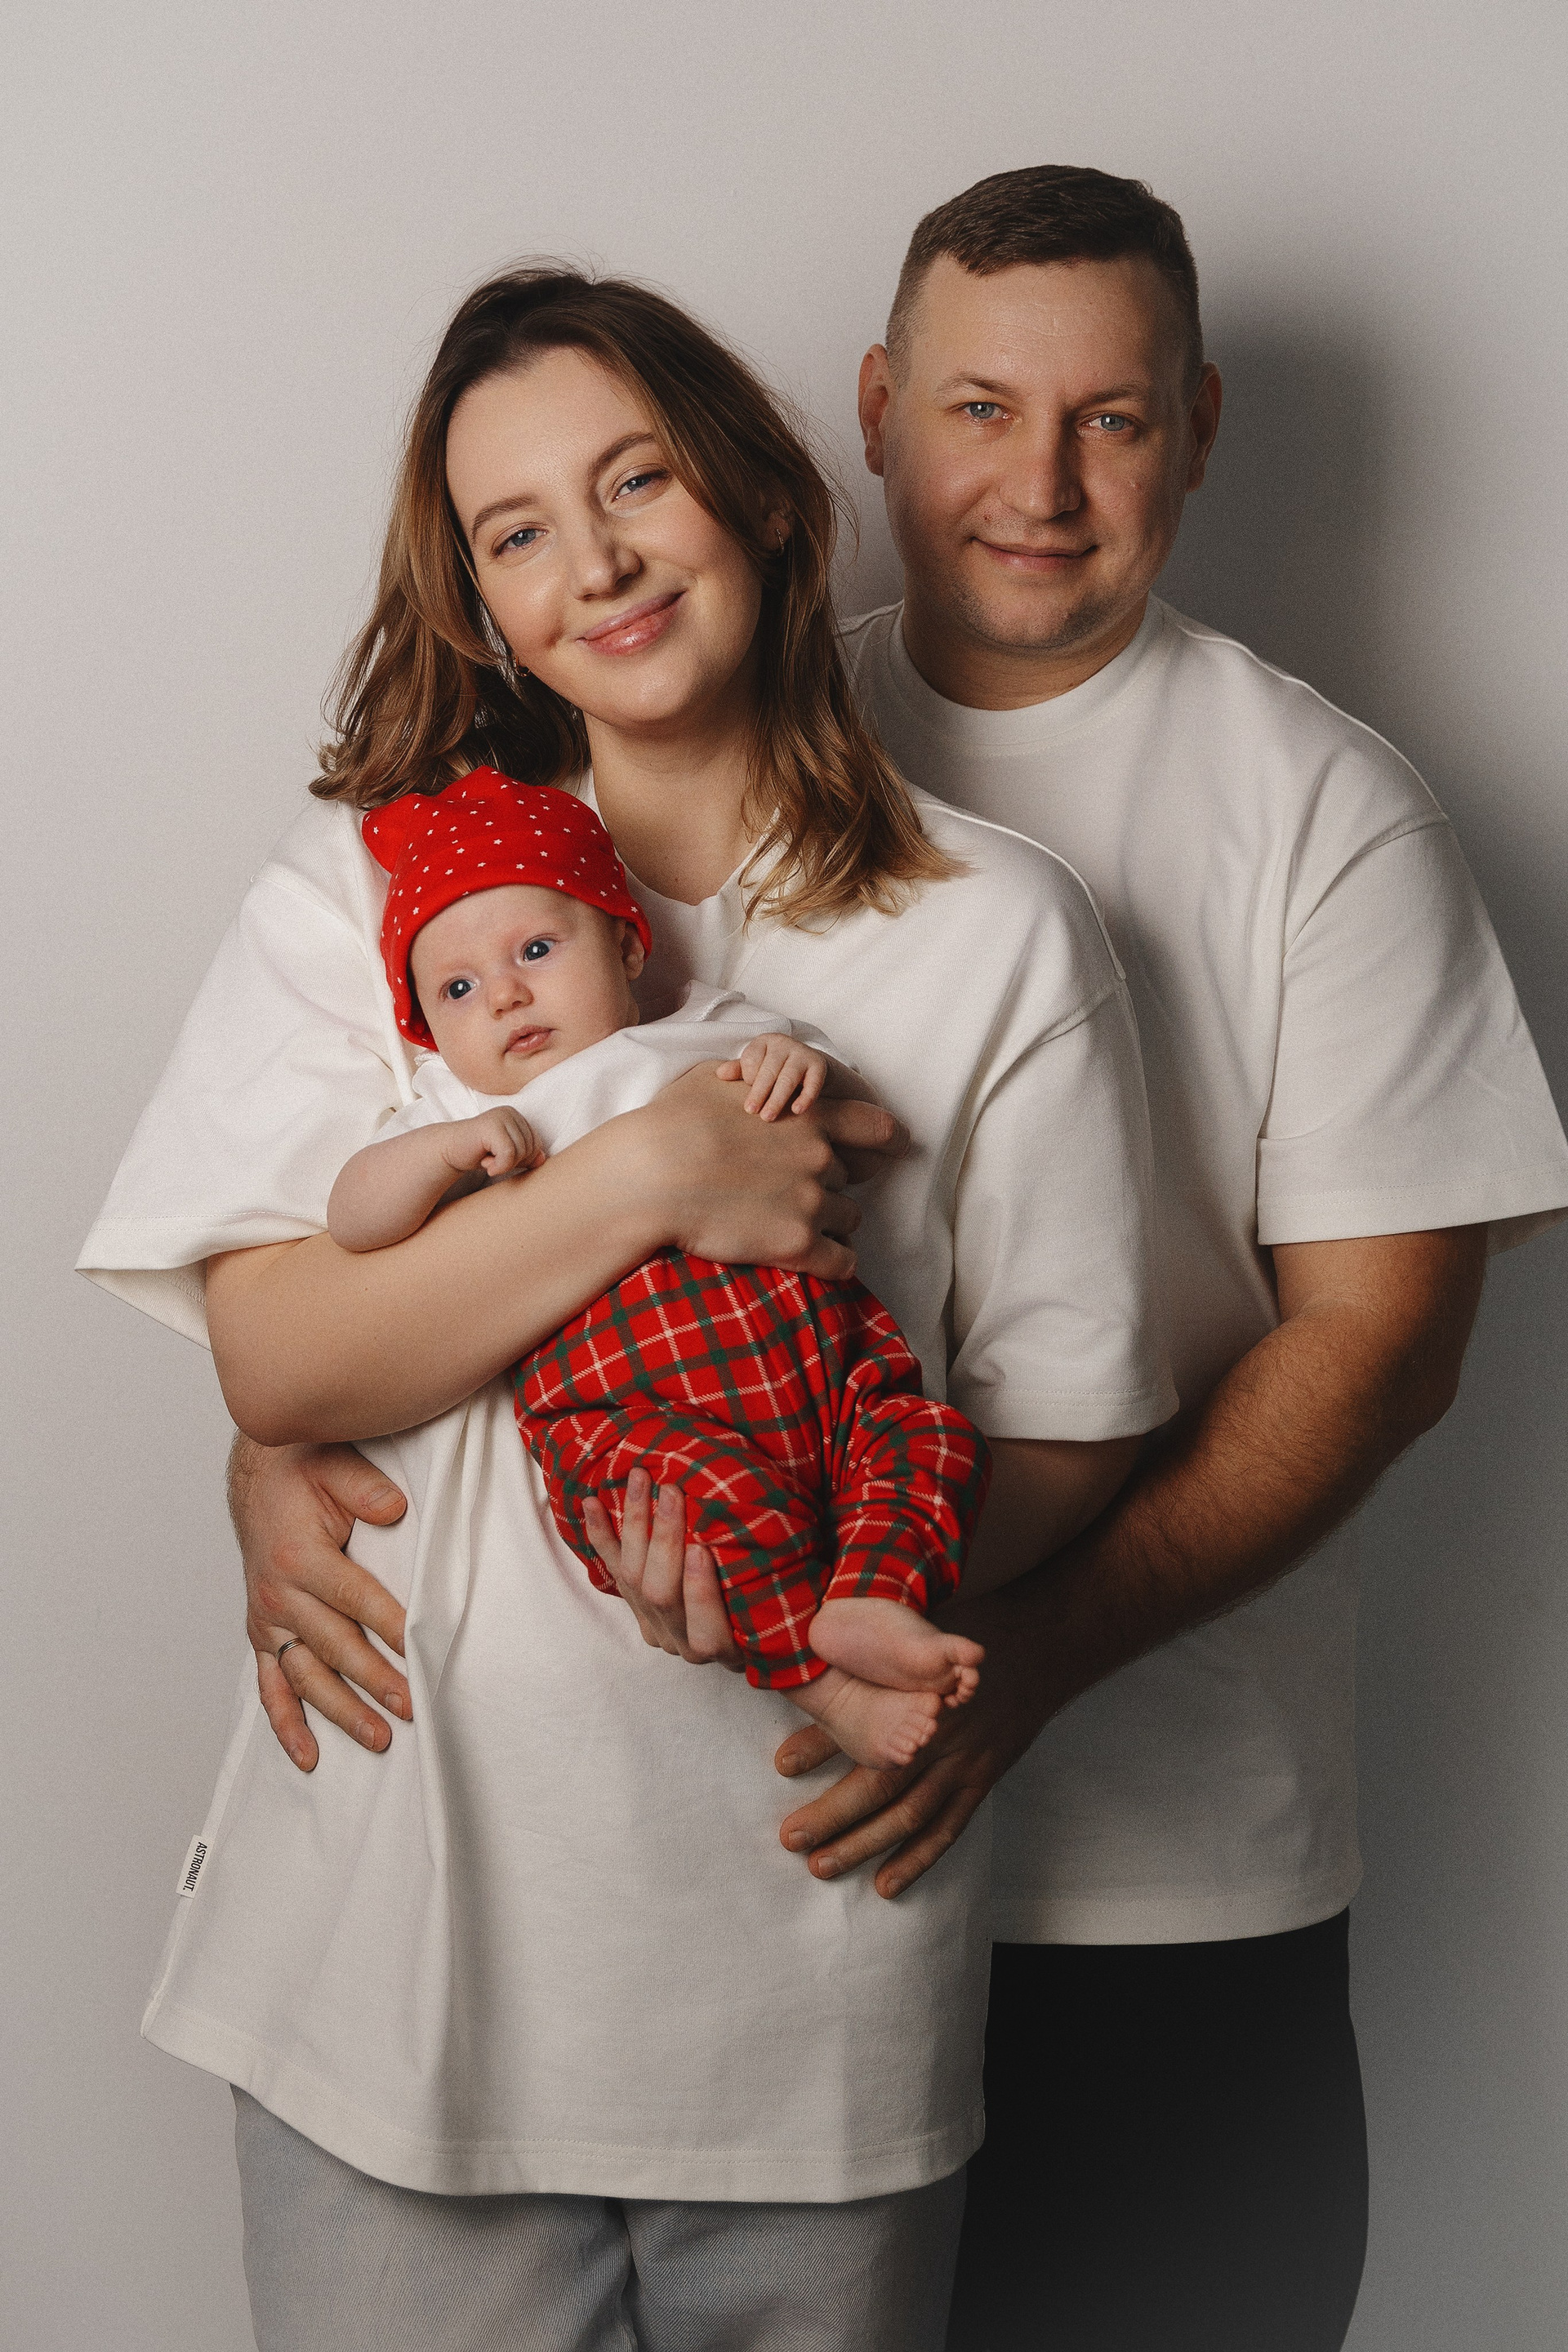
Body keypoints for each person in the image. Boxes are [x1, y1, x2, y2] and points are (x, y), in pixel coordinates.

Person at [78, 265, 1174, 2350]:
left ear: (758, 491)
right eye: (516, 532)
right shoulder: (378, 889)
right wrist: (653, 1173)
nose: (593, 562)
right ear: (485, 611)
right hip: (397, 1965)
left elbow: (1074, 1422)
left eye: (637, 481)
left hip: (807, 1950)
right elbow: (280, 1354)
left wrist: (831, 1567)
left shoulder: (998, 931)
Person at [761, 165, 1568, 2350]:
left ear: (1196, 428)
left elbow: (1382, 1346)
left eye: (1109, 419)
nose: (1038, 485)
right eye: (979, 408)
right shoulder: (727, 753)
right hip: (760, 1885)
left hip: (1163, 1892)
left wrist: (1029, 1658)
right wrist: (287, 1444)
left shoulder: (1325, 809)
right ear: (876, 409)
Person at [334, 765, 992, 1765]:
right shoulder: (459, 1105)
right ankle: (820, 1684)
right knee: (693, 1530)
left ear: (628, 944)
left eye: (536, 950)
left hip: (825, 1364)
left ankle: (873, 1597)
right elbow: (353, 1218)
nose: (505, 994)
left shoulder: (705, 1026)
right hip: (633, 1408)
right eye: (457, 990)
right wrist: (436, 1157)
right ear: (429, 1030)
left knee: (928, 1441)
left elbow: (864, 1133)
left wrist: (802, 1070)